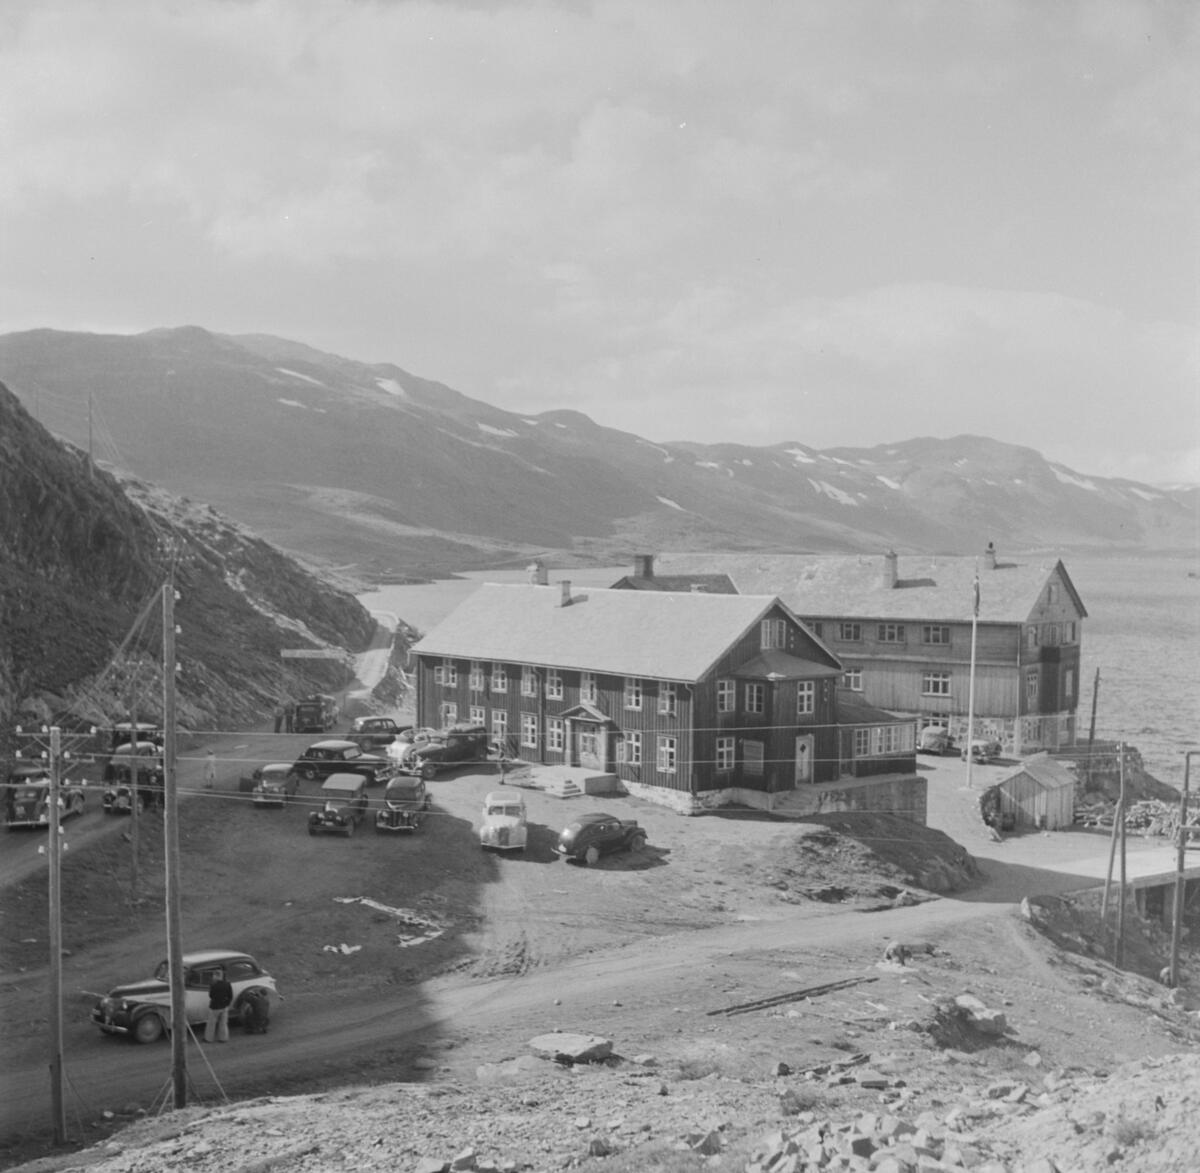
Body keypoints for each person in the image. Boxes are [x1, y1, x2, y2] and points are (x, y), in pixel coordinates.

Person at [205, 968, 233, 1043]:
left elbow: (211, 995)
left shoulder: (213, 985)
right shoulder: (227, 984)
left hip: (214, 1006)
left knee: (211, 1023)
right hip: (224, 1006)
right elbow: (230, 995)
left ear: (216, 976)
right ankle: (223, 1038)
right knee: (223, 1023)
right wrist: (227, 1003)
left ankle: (209, 1038)